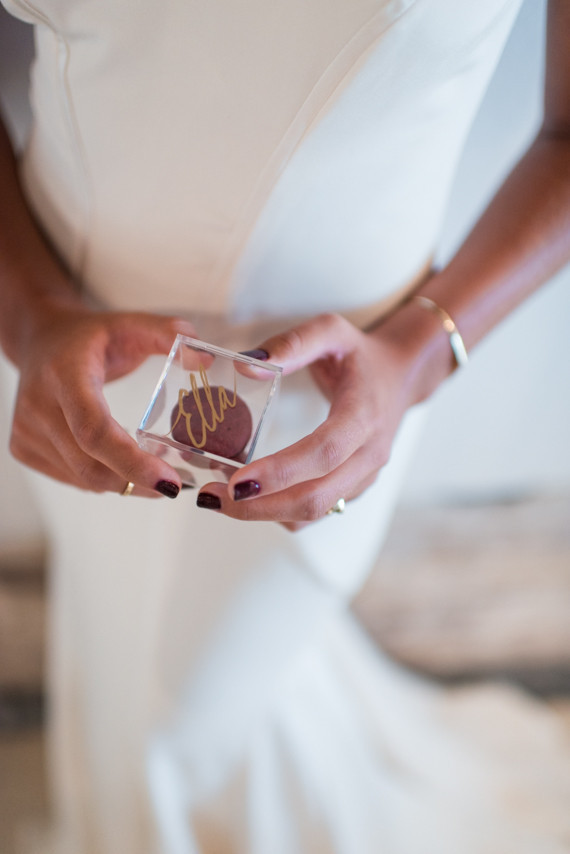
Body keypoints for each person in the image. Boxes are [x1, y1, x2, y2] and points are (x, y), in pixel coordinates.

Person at [1, 1, 569, 852]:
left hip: (339, 389)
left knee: (187, 707)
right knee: (121, 657)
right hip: (77, 354)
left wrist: (416, 355)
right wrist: (30, 313)